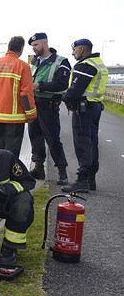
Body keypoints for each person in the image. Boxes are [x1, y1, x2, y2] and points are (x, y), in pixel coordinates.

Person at [61, 39, 108, 192]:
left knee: (82, 144)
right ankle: (90, 179)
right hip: (94, 107)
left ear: (81, 49)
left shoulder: (85, 65)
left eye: (74, 49)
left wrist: (63, 97)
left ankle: (82, 180)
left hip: (84, 109)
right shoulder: (98, 62)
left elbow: (75, 90)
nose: (73, 52)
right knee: (92, 142)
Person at [0, 36, 36, 158]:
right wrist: (31, 114)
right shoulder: (23, 66)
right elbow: (25, 93)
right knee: (11, 153)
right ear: (21, 49)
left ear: (9, 47)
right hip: (14, 118)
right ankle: (8, 175)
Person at [27, 33, 71, 185]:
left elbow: (63, 84)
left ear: (44, 43)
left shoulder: (61, 62)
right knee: (35, 137)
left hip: (49, 106)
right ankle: (38, 168)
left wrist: (40, 86)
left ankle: (62, 172)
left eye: (36, 45)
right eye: (32, 46)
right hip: (34, 104)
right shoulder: (34, 62)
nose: (34, 48)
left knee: (52, 139)